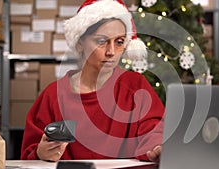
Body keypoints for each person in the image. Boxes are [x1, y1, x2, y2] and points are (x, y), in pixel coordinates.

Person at [20, 0, 164, 163]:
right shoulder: (53, 96)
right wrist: (40, 153)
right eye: (101, 41)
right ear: (80, 43)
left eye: (119, 42)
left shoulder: (136, 86)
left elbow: (154, 129)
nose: (111, 52)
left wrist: (155, 147)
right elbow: (29, 153)